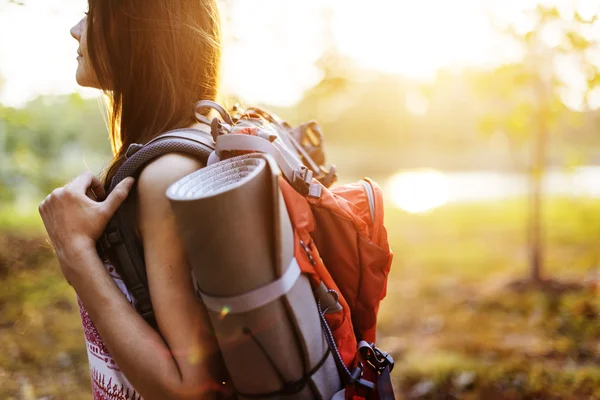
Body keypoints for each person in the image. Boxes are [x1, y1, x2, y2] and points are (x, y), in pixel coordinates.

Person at [37, 1, 228, 399]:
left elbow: (189, 390)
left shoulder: (166, 175)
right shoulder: (193, 140)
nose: (76, 29)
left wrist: (74, 251)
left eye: (91, 13)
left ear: (137, 30)